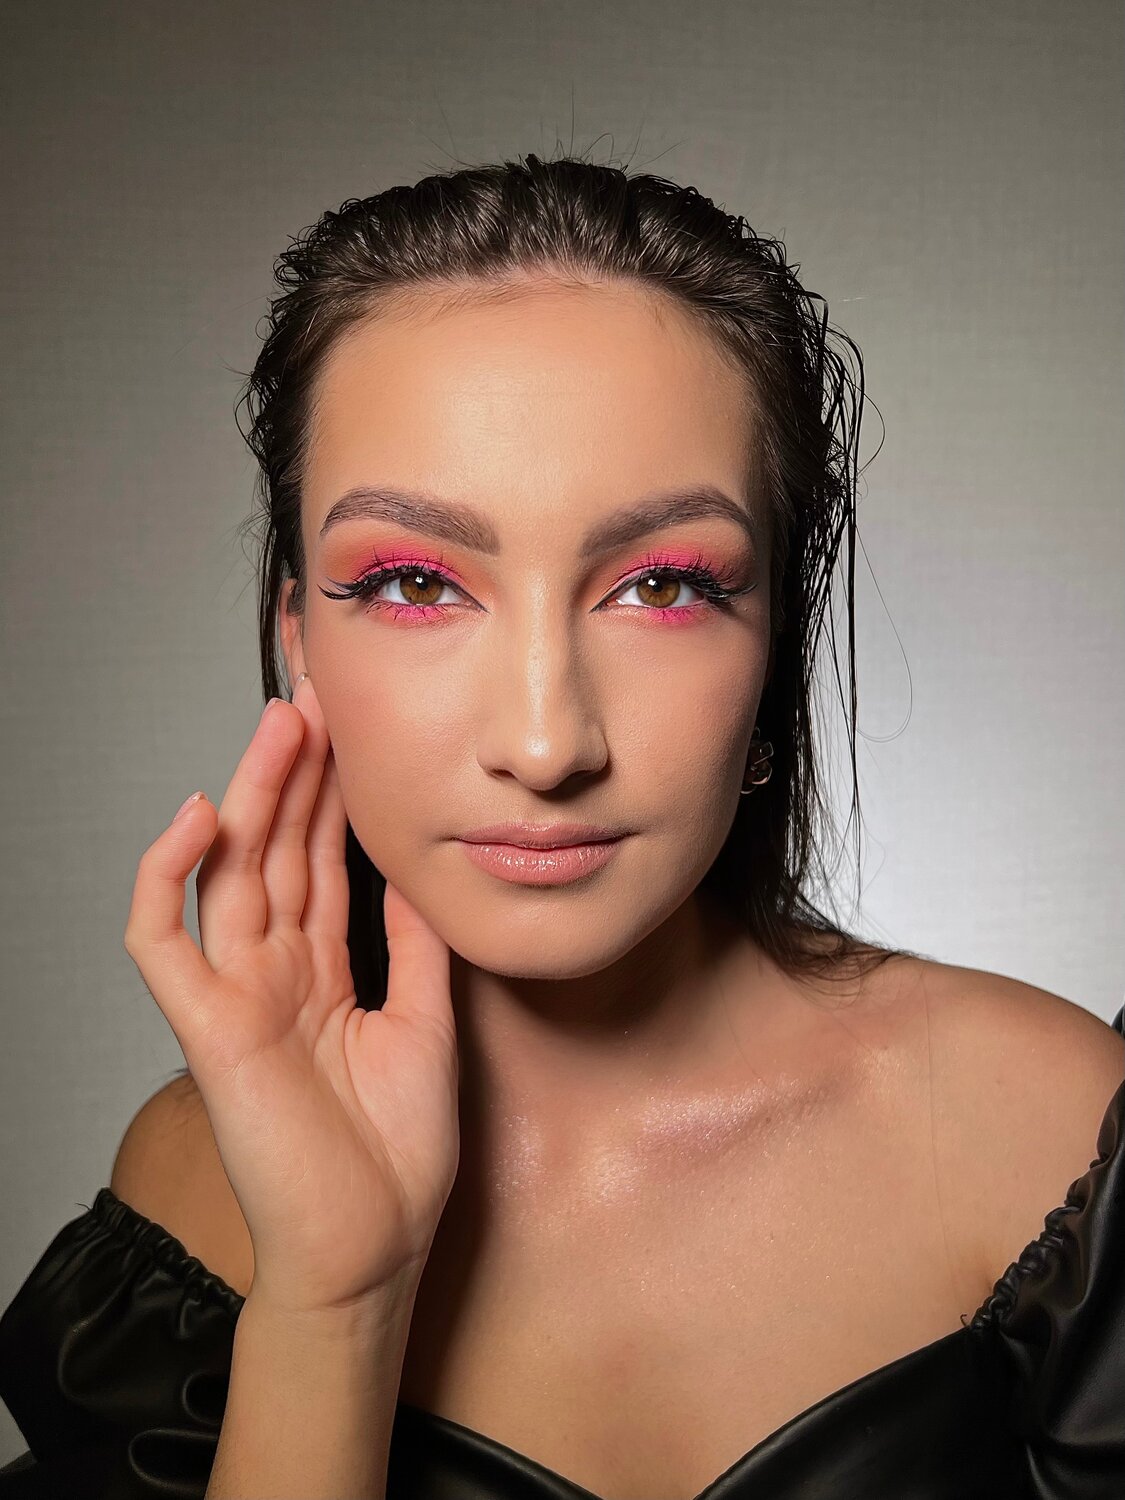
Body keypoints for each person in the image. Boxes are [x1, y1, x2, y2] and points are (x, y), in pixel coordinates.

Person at [0, 152, 1122, 1500]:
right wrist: (334, 1305)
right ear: (298, 635)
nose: (545, 744)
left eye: (662, 587)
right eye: (415, 583)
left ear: (773, 638)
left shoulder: (1049, 1141)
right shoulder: (193, 1197)